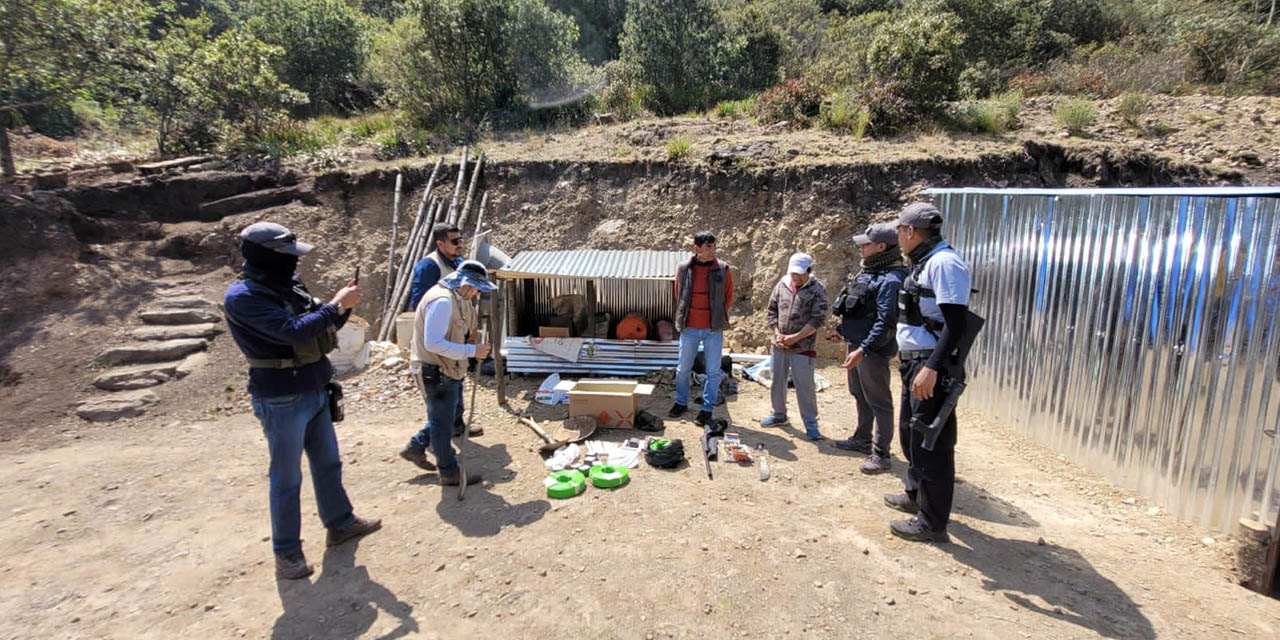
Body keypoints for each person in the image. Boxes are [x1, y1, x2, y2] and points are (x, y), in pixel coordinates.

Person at [223, 222, 381, 580]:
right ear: (264, 255)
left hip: (314, 387)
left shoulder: (287, 285)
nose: (294, 263)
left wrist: (338, 312)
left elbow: (317, 328)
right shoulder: (243, 297)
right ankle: (287, 552)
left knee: (328, 464)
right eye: (286, 255)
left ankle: (339, 522)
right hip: (280, 396)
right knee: (286, 477)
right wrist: (335, 306)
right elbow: (291, 332)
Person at [884, 202, 972, 543]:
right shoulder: (925, 261)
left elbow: (957, 324)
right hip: (915, 363)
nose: (898, 238)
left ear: (909, 232)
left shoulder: (945, 264)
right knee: (912, 437)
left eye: (899, 232)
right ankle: (915, 493)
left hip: (929, 364)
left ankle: (932, 523)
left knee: (932, 444)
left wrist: (932, 368)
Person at [407, 259, 495, 487]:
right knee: (441, 423)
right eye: (475, 288)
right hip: (435, 369)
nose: (476, 293)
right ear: (465, 283)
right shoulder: (443, 301)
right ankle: (448, 472)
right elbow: (434, 342)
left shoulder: (456, 297)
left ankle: (416, 446)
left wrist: (472, 345)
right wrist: (472, 350)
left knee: (443, 416)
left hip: (447, 368)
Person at [400, 224, 480, 471]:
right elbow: (424, 309)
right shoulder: (430, 268)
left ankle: (449, 431)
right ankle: (427, 448)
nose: (459, 245)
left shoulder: (459, 263)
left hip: (454, 347)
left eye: (460, 240)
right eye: (454, 241)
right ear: (440, 243)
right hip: (437, 352)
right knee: (442, 409)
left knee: (451, 400)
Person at [830, 222, 908, 474]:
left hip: (871, 351)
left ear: (881, 247)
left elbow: (886, 322)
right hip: (857, 346)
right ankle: (862, 440)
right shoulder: (871, 273)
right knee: (860, 394)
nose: (861, 248)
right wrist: (843, 333)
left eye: (866, 244)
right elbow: (861, 310)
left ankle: (881, 454)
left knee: (879, 401)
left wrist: (863, 349)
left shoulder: (892, 280)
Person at [761, 252, 830, 440]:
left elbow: (818, 319)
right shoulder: (782, 285)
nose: (795, 277)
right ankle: (779, 415)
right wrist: (777, 334)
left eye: (799, 273)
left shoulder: (818, 290)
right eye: (793, 273)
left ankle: (811, 424)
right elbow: (772, 310)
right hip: (779, 345)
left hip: (803, 348)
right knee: (777, 382)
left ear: (809, 271)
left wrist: (796, 337)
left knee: (805, 387)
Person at [671, 231, 734, 426]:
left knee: (713, 371)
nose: (713, 250)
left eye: (714, 246)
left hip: (712, 329)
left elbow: (728, 297)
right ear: (696, 248)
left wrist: (714, 316)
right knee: (682, 369)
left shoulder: (723, 269)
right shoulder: (684, 269)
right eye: (709, 246)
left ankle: (707, 409)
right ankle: (681, 402)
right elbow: (678, 294)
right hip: (689, 328)